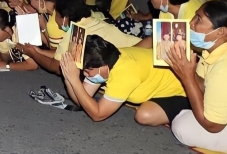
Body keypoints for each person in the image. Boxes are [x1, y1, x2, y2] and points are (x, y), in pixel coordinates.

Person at [60, 35, 188, 125]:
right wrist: (69, 78)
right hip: (156, 82)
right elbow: (80, 100)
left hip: (181, 92)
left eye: (87, 71)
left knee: (144, 115)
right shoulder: (106, 59)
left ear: (103, 68)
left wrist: (75, 81)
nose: (84, 74)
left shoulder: (123, 75)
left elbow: (97, 115)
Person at [168, 0, 227, 151]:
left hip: (216, 124)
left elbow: (213, 126)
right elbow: (203, 85)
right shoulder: (212, 49)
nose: (191, 23)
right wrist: (186, 69)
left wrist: (187, 77)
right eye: (194, 17)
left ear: (221, 31)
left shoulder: (223, 66)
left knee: (182, 126)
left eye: (199, 19)